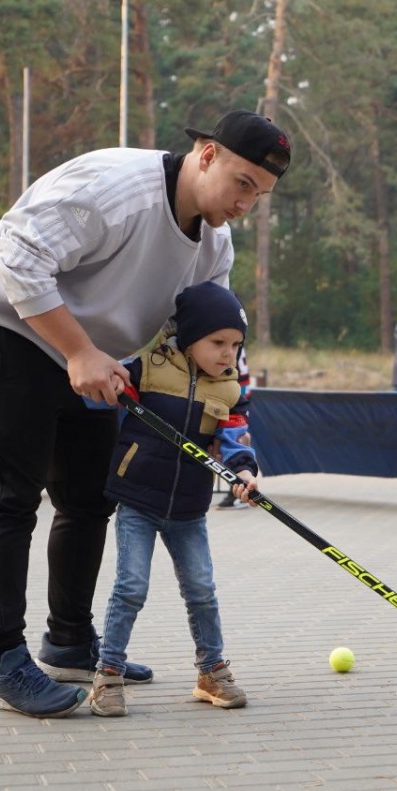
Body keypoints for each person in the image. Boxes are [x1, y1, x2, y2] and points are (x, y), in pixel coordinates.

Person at [0, 109, 291, 718]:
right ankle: (5, 662)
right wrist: (77, 350)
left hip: (101, 354)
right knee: (9, 496)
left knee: (89, 497)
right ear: (207, 155)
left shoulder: (214, 242)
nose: (247, 204)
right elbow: (17, 255)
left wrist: (216, 423)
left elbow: (194, 337)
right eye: (243, 183)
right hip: (7, 325)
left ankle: (71, 642)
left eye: (260, 195)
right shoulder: (116, 189)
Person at [89, 282, 258, 717]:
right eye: (218, 342)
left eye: (236, 345)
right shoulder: (147, 367)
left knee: (202, 590)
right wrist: (101, 381)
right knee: (130, 588)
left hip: (188, 507)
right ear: (189, 335)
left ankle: (211, 672)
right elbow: (96, 396)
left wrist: (244, 473)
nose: (227, 353)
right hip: (138, 501)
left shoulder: (228, 390)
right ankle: (107, 675)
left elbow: (235, 441)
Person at [216, 341, 252, 510]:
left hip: (236, 390)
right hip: (238, 387)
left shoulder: (230, 338)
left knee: (238, 439)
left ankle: (237, 488)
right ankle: (237, 485)